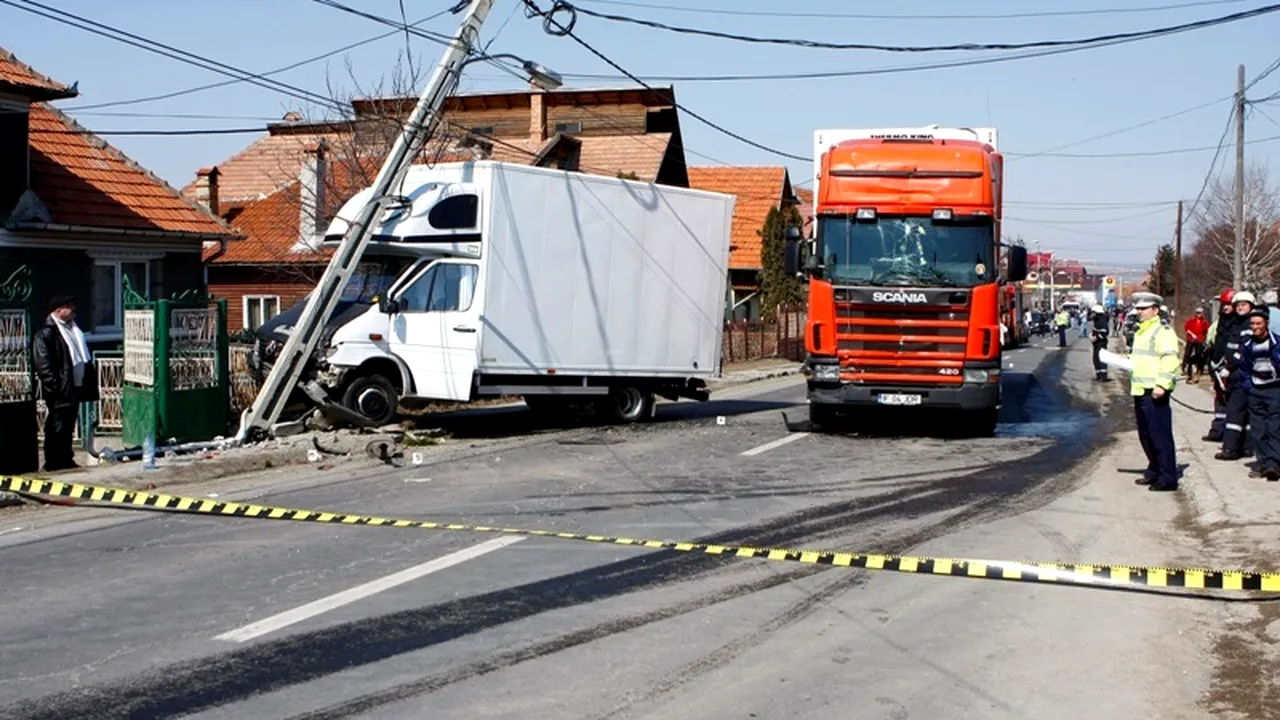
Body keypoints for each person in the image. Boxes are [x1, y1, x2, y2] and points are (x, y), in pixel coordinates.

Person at [31, 295, 99, 472]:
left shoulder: (73, 329)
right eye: (69, 306)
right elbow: (43, 364)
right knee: (57, 425)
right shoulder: (47, 333)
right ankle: (53, 461)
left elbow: (79, 356)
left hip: (74, 386)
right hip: (60, 389)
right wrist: (55, 386)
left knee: (68, 425)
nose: (73, 310)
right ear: (58, 310)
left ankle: (66, 459)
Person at [1128, 291, 1181, 491]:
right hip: (1140, 389)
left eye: (1143, 308)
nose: (1138, 312)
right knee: (1146, 434)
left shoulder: (1162, 331)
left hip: (1155, 391)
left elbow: (1170, 359)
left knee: (1160, 436)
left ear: (1155, 310)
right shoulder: (1142, 330)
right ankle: (1154, 470)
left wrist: (1162, 385)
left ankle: (1167, 477)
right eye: (1138, 308)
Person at [1238, 308, 1280, 481]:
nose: (1255, 327)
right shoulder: (1247, 345)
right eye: (1252, 324)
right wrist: (1249, 385)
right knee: (1258, 429)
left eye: (1258, 324)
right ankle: (1263, 463)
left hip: (1274, 389)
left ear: (1266, 324)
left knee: (1274, 428)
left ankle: (1273, 464)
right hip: (1256, 391)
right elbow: (1244, 367)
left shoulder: (1276, 343)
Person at [1218, 290, 1258, 461]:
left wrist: (1229, 366)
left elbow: (1243, 351)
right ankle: (1247, 447)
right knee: (1246, 413)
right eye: (1238, 305)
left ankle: (1230, 448)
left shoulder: (1249, 325)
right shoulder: (1237, 323)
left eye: (1244, 305)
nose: (1241, 308)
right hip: (1238, 373)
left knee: (1234, 412)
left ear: (1251, 307)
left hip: (1241, 373)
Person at [1204, 288, 1236, 442]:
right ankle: (1217, 430)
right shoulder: (1220, 323)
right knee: (1220, 399)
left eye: (1229, 304)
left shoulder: (1239, 324)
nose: (1226, 308)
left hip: (1232, 367)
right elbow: (1213, 341)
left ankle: (1232, 436)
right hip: (1218, 366)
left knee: (1233, 402)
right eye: (1224, 304)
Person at [1182, 306, 1211, 382]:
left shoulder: (1204, 322)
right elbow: (1187, 329)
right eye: (1198, 313)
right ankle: (1185, 368)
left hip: (1199, 340)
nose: (1199, 314)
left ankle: (1198, 370)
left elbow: (1207, 331)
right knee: (1187, 354)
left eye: (1200, 313)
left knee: (1199, 354)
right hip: (1191, 339)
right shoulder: (1191, 320)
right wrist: (1192, 334)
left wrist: (1205, 339)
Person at [1089, 303, 1110, 380]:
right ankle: (1098, 374)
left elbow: (1105, 332)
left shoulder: (1102, 320)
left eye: (1093, 312)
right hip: (1096, 343)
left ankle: (1103, 376)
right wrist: (1092, 335)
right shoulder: (1096, 320)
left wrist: (1096, 337)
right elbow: (1095, 330)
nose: (1092, 314)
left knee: (1101, 358)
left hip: (1101, 343)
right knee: (1096, 359)